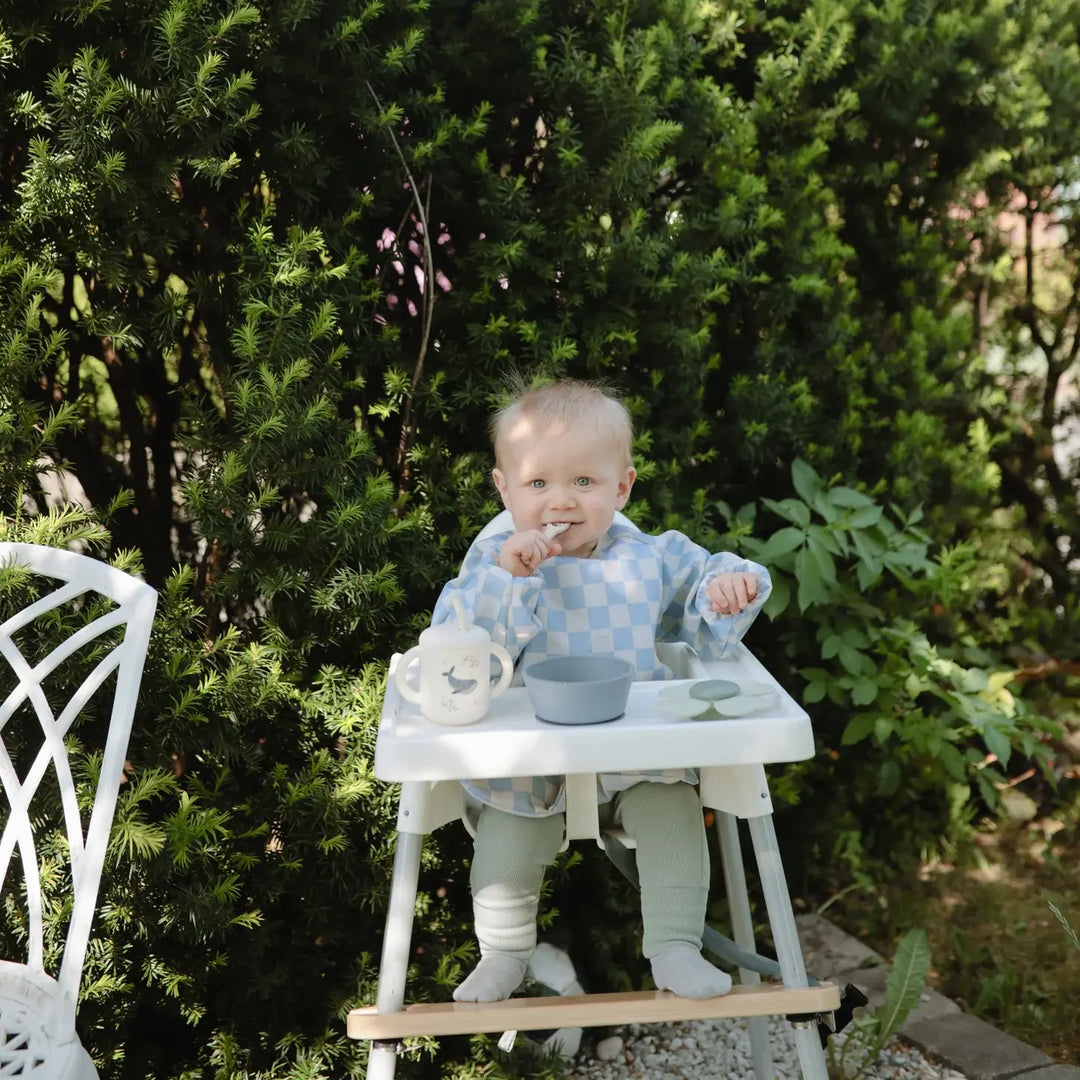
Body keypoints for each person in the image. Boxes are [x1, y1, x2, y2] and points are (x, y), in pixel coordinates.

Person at [430, 378, 771, 1003]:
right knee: (509, 838)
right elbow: (462, 648)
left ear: (622, 487)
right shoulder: (492, 565)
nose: (560, 501)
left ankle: (674, 947)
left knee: (672, 811)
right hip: (529, 760)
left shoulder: (649, 557)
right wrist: (510, 579)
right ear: (504, 489)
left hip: (634, 756)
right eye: (538, 484)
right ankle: (504, 954)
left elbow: (707, 579)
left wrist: (728, 586)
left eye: (584, 482)